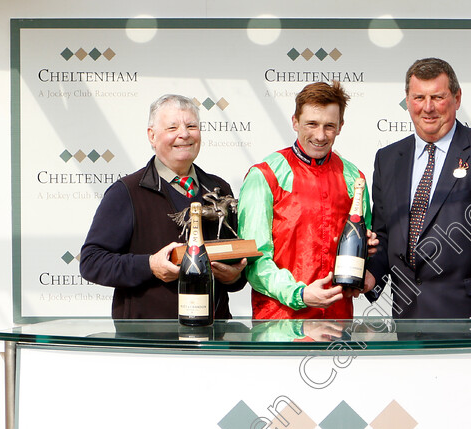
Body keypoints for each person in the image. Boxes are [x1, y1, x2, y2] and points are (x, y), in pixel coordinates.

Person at [365, 57, 471, 319]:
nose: (427, 108)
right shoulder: (388, 158)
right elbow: (385, 233)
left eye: (437, 97)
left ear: (457, 98)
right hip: (407, 317)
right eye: (418, 98)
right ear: (407, 99)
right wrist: (370, 277)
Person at [80, 94, 246, 319]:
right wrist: (149, 265)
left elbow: (236, 263)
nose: (184, 134)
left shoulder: (219, 189)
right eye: (172, 127)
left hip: (212, 336)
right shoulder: (127, 191)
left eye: (191, 126)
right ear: (152, 135)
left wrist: (234, 277)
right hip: (148, 340)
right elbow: (92, 261)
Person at [237, 81, 375, 319]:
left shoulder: (355, 177)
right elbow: (255, 259)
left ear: (341, 126)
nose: (320, 136)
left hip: (337, 322)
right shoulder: (265, 175)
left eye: (329, 126)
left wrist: (368, 257)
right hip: (279, 324)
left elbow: (360, 250)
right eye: (312, 124)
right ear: (295, 121)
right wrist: (299, 294)